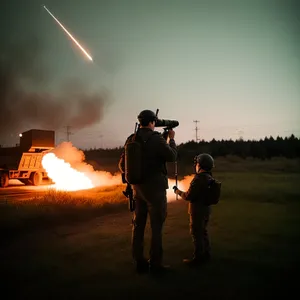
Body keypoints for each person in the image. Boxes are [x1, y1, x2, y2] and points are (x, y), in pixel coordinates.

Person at [118, 109, 177, 274]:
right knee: (156, 227)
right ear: (152, 122)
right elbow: (172, 156)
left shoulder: (131, 139)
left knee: (138, 226)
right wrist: (171, 140)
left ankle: (139, 262)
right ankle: (156, 264)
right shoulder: (156, 139)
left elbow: (122, 165)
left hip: (137, 189)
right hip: (155, 190)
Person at [173, 153, 215, 267]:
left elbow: (188, 196)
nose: (195, 165)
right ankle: (206, 254)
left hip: (197, 211)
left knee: (197, 233)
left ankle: (198, 258)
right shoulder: (209, 177)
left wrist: (177, 191)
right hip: (206, 209)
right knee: (203, 232)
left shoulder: (199, 178)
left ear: (200, 165)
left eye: (197, 163)